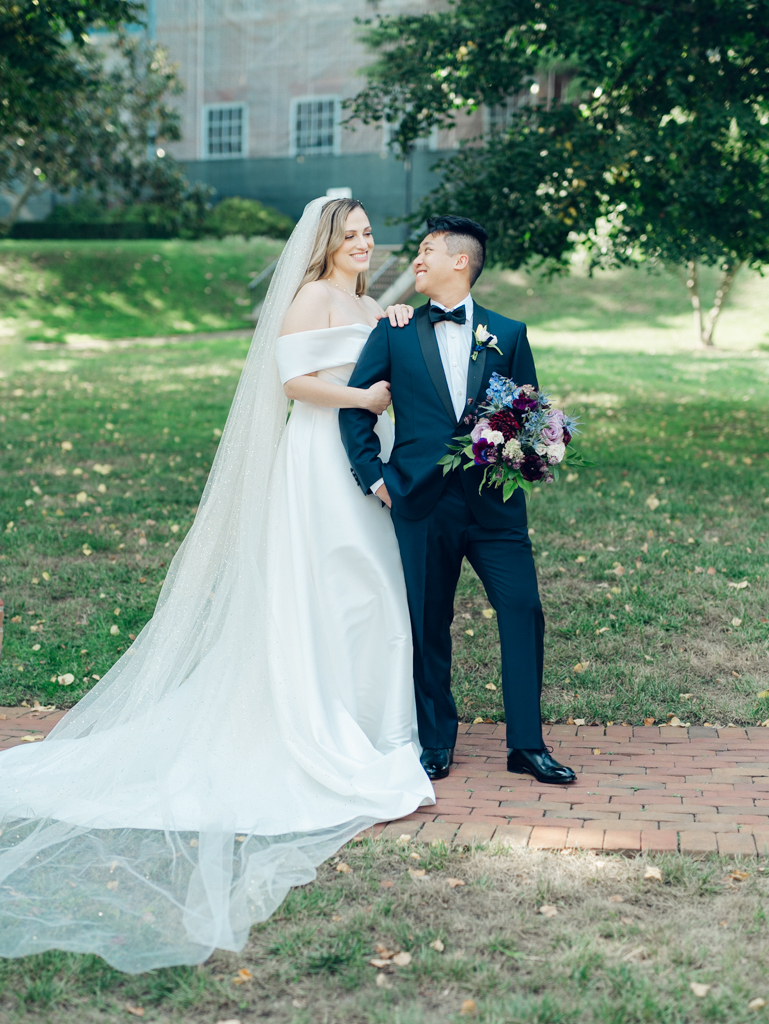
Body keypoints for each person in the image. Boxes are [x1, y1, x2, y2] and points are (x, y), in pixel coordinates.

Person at [0, 197, 433, 975]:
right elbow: (296, 381)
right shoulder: (308, 296)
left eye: (371, 234)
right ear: (327, 241)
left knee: (373, 589)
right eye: (353, 234)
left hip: (368, 458)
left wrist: (395, 340)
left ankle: (373, 724)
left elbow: (386, 362)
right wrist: (363, 398)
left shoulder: (374, 303)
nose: (365, 244)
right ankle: (320, 721)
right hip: (318, 456)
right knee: (329, 584)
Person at [340, 215, 576, 785]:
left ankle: (526, 744)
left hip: (495, 508)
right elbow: (355, 408)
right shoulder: (394, 331)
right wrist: (376, 480)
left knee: (524, 612)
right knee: (428, 621)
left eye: (426, 251)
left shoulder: (510, 333)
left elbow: (529, 411)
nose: (415, 261)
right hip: (420, 502)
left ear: (460, 262)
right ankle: (435, 742)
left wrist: (532, 452)